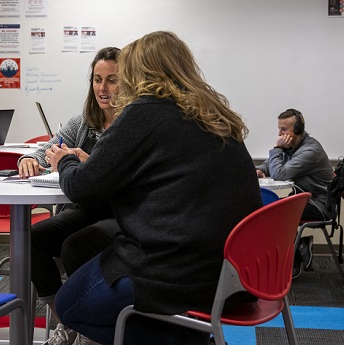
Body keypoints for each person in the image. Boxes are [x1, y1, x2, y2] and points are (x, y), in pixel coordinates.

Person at [45, 31, 262, 345]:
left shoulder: (144, 112)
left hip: (173, 275)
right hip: (234, 276)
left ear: (137, 72)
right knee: (85, 251)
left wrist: (65, 160)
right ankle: (191, 334)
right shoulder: (215, 115)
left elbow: (82, 186)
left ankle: (184, 336)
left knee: (70, 306)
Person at [17, 47, 121, 345]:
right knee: (33, 237)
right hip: (84, 209)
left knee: (76, 246)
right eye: (97, 79)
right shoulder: (83, 122)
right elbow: (45, 149)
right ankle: (66, 321)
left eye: (112, 80)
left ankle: (90, 328)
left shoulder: (130, 124)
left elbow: (121, 176)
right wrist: (30, 159)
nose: (103, 88)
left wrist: (86, 161)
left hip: (118, 214)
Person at [255, 108, 334, 279]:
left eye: (283, 129)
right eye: (279, 129)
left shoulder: (311, 151)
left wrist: (277, 147)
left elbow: (279, 174)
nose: (280, 133)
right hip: (302, 200)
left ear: (297, 129)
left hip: (319, 206)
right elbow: (269, 166)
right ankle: (300, 246)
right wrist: (260, 171)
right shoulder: (290, 147)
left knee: (275, 214)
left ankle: (296, 255)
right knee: (269, 209)